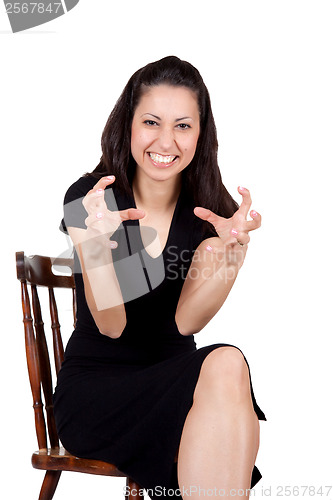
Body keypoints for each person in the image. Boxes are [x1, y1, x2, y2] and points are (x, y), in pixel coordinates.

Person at [53, 55, 266, 500]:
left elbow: (185, 324)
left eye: (183, 126)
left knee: (228, 361)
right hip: (99, 390)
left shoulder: (211, 211)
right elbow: (112, 325)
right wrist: (94, 248)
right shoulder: (93, 199)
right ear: (127, 125)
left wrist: (229, 257)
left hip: (173, 381)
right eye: (152, 122)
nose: (165, 141)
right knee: (223, 371)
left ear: (200, 135)